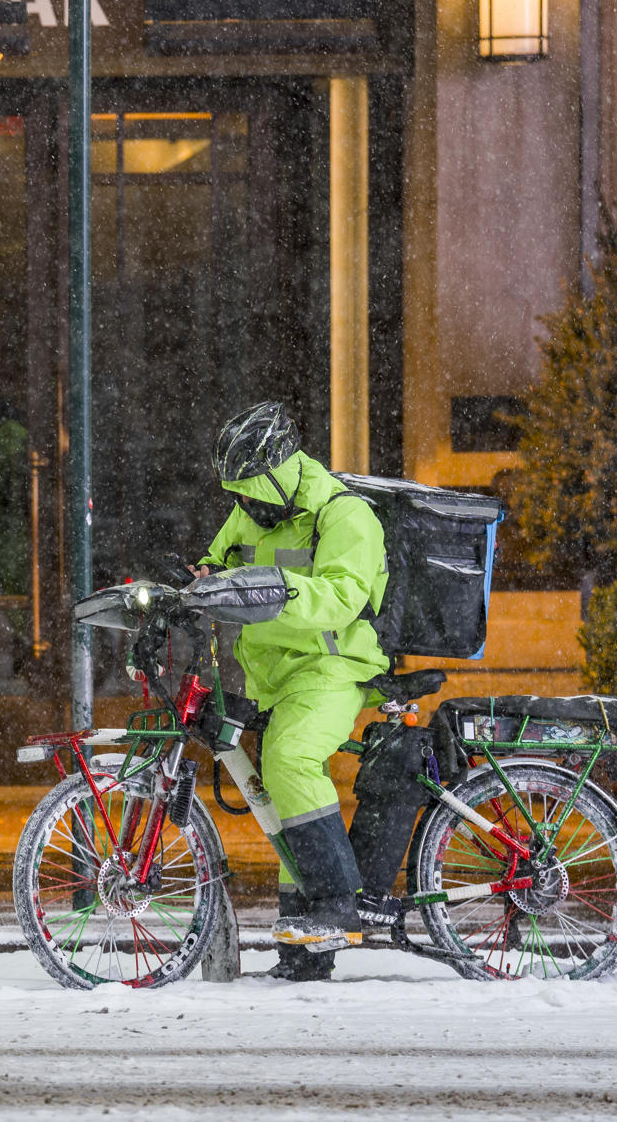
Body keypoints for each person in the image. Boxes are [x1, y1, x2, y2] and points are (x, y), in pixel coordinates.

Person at [196, 401, 389, 980]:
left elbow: (340, 599)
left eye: (252, 491)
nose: (245, 506)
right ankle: (304, 946)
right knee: (281, 793)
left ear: (281, 472)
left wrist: (266, 594)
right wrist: (200, 583)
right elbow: (217, 562)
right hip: (276, 677)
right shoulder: (249, 512)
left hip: (334, 668)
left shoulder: (345, 515)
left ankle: (336, 904)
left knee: (289, 759)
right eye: (237, 495)